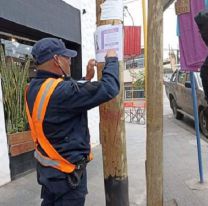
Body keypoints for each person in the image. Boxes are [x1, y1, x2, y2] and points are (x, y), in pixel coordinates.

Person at [25, 37, 120, 206]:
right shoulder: (62, 91)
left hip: (49, 174)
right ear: (56, 60)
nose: (70, 61)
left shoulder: (33, 87)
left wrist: (86, 78)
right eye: (66, 57)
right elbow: (109, 87)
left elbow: (64, 96)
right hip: (67, 177)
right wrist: (112, 59)